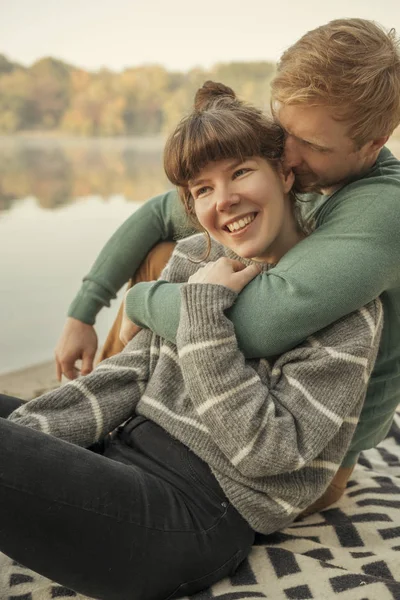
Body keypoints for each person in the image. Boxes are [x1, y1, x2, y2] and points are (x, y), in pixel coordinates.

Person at [0, 83, 382, 600]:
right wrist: (33, 435)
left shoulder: (345, 308)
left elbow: (266, 453)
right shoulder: (197, 257)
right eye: (202, 189)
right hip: (123, 450)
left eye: (241, 172)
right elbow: (130, 375)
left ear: (285, 173)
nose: (224, 200)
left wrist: (202, 315)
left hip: (197, 513)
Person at [55, 18, 400, 501]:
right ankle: (107, 399)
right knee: (165, 255)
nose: (288, 157)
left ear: (374, 143)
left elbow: (261, 325)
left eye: (315, 146)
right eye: (285, 131)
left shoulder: (385, 210)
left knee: (169, 279)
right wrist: (82, 313)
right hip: (246, 386)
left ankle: (111, 424)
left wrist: (141, 303)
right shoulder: (301, 174)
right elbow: (157, 214)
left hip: (308, 459)